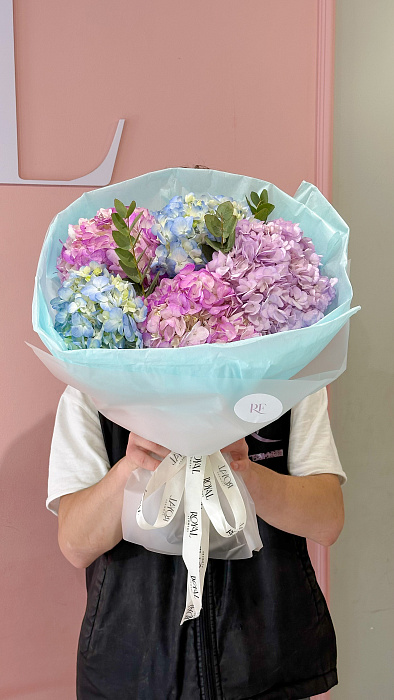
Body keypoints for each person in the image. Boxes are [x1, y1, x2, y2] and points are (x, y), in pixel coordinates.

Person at [47, 383, 346, 700]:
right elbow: (76, 544)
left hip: (267, 661)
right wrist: (133, 466)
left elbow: (327, 521)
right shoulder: (91, 386)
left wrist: (242, 471)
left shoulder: (292, 376)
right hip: (133, 667)